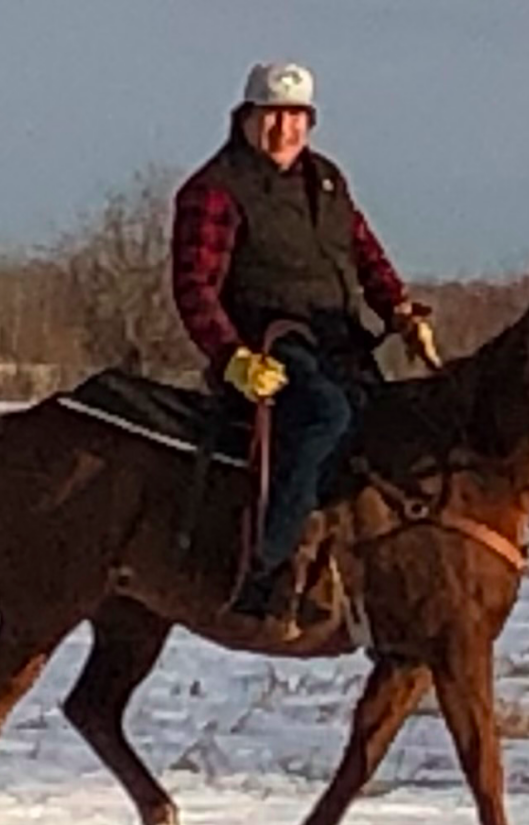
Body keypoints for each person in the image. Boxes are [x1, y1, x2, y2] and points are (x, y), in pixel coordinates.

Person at [172, 61, 438, 620]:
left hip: (339, 339)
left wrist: (401, 311)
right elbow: (194, 286)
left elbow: (366, 254)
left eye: (296, 117)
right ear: (246, 117)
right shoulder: (215, 190)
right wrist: (232, 358)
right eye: (271, 115)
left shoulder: (327, 180)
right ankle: (266, 569)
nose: (284, 129)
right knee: (327, 415)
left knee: (393, 423)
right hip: (270, 343)